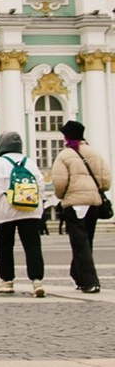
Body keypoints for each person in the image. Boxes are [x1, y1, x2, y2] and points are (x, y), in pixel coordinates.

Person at [50, 119, 110, 296]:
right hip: (93, 203)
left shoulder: (64, 155)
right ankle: (77, 275)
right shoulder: (95, 153)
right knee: (86, 241)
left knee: (79, 243)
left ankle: (90, 282)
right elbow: (106, 180)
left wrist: (62, 196)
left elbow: (59, 182)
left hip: (75, 203)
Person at [0, 130, 46, 296]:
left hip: (6, 210)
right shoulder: (29, 162)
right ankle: (37, 281)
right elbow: (41, 184)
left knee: (5, 246)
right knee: (32, 245)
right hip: (30, 210)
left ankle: (7, 280)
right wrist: (39, 205)